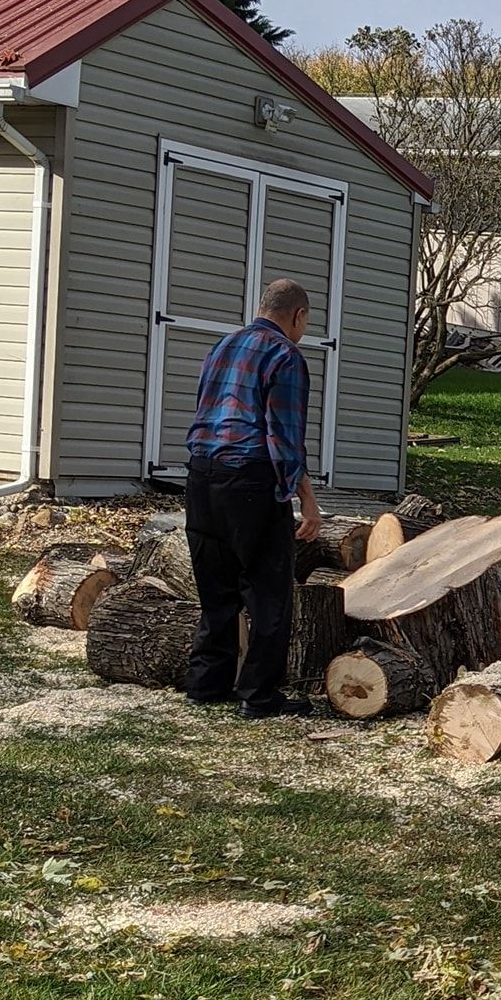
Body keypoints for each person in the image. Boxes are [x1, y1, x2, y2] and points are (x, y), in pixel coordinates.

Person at [183, 278, 324, 718]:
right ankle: (259, 695)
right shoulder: (285, 356)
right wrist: (306, 499)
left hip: (202, 473)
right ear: (297, 315)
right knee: (267, 590)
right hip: (250, 477)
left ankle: (207, 683)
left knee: (216, 586)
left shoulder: (222, 346)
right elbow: (284, 436)